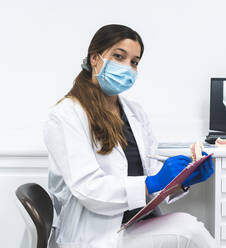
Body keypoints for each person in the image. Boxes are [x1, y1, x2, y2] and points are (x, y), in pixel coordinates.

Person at [43, 24, 216, 248]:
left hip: (136, 222)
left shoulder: (135, 113)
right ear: (95, 58)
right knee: (189, 231)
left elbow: (151, 175)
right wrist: (152, 182)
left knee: (189, 226)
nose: (127, 67)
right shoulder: (66, 115)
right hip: (94, 235)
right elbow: (89, 190)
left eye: (134, 62)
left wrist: (181, 180)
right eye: (119, 56)